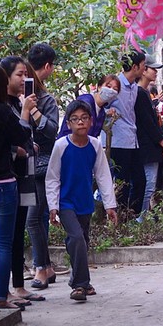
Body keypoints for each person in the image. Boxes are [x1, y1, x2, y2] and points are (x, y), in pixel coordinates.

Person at [46, 100, 117, 301]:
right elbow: (53, 177)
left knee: (81, 242)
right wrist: (53, 205)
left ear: (91, 121)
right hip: (66, 202)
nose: (80, 123)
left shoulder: (95, 145)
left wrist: (110, 205)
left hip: (85, 202)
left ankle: (78, 280)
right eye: (75, 119)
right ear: (68, 123)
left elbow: (103, 175)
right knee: (76, 237)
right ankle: (80, 285)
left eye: (84, 118)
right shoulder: (61, 146)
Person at [0, 56, 42, 303]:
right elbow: (6, 139)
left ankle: (18, 286)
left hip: (24, 174)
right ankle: (6, 290)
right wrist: (18, 149)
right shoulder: (4, 106)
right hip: (8, 176)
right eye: (19, 74)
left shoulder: (18, 102)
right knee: (8, 235)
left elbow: (28, 132)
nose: (24, 79)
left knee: (18, 231)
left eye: (26, 74)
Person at [0, 65, 35, 310]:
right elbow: (21, 135)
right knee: (3, 244)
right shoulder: (2, 111)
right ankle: (1, 297)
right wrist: (26, 111)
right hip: (2, 184)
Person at [25, 43, 60, 289]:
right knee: (35, 219)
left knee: (33, 219)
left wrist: (34, 110)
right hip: (24, 163)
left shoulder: (46, 100)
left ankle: (41, 268)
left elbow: (50, 132)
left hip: (42, 165)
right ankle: (45, 267)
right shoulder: (15, 99)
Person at [109, 50, 147, 217]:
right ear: (134, 66)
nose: (145, 69)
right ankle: (120, 218)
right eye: (143, 66)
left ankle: (131, 216)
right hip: (117, 140)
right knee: (121, 183)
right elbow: (100, 104)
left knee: (140, 180)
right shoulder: (115, 85)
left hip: (131, 139)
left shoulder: (134, 87)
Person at [135, 55, 163, 220]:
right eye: (152, 68)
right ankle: (139, 220)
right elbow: (149, 124)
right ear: (143, 70)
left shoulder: (144, 93)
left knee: (148, 187)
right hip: (146, 147)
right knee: (147, 187)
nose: (155, 72)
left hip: (147, 146)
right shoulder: (140, 94)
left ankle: (141, 219)